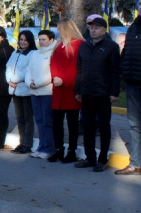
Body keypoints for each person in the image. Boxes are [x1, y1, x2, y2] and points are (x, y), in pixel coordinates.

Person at [74, 16, 121, 172]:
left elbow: (115, 71)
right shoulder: (83, 47)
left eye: (96, 28)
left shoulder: (111, 47)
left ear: (103, 30)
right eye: (91, 28)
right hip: (86, 92)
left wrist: (114, 92)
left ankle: (102, 159)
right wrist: (78, 90)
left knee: (103, 127)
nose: (92, 30)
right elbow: (80, 70)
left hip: (103, 93)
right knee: (87, 126)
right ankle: (90, 157)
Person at [50, 19, 84, 163]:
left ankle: (72, 150)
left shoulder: (79, 45)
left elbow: (77, 68)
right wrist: (55, 77)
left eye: (60, 29)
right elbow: (53, 63)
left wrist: (64, 80)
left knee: (72, 123)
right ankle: (58, 149)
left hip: (71, 89)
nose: (58, 32)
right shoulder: (59, 45)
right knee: (56, 122)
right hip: (58, 90)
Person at [26, 30, 57, 158]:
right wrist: (29, 83)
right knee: (39, 120)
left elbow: (52, 73)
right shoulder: (35, 53)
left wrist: (37, 82)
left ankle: (49, 148)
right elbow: (29, 70)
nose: (41, 41)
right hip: (34, 92)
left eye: (44, 39)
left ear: (51, 39)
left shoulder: (54, 53)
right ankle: (41, 146)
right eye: (39, 39)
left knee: (47, 121)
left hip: (47, 92)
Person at [117, 13, 141, 175]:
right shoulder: (134, 26)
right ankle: (136, 163)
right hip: (133, 82)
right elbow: (126, 51)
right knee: (135, 125)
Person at [5, 30, 37, 154]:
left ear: (30, 41)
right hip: (15, 89)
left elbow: (28, 70)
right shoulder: (15, 52)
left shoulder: (33, 53)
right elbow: (8, 66)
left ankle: (27, 144)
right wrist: (9, 80)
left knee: (28, 118)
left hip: (26, 89)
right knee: (19, 118)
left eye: (25, 40)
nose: (23, 42)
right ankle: (21, 142)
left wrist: (14, 79)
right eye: (21, 39)